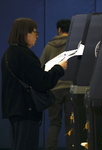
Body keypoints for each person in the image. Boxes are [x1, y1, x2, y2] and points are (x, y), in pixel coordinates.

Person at [1, 18, 68, 150]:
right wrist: (59, 68)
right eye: (34, 32)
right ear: (24, 33)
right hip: (26, 109)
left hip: (14, 109)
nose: (36, 36)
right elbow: (42, 82)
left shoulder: (9, 53)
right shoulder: (24, 54)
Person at [40, 19, 73, 150]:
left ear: (59, 30)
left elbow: (41, 67)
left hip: (54, 89)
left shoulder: (49, 46)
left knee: (55, 123)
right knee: (71, 123)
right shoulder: (74, 46)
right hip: (72, 89)